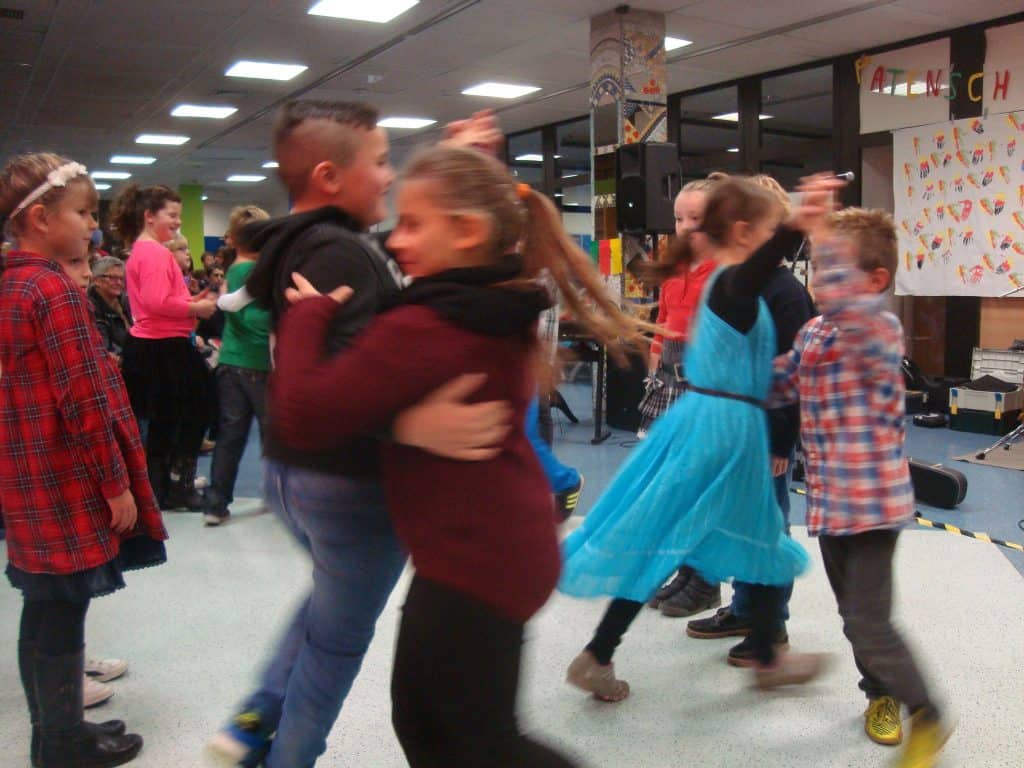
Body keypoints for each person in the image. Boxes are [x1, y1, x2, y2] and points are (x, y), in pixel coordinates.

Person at [270, 144, 649, 767]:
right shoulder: (495, 299)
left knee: (461, 738)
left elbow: (301, 416)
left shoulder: (426, 326)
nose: (396, 241)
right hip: (501, 546)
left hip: (474, 562)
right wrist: (402, 422)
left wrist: (308, 319)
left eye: (414, 224)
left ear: (469, 233)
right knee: (437, 725)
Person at [207, 101, 514, 768]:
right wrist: (407, 420)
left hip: (294, 475)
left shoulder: (297, 240)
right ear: (329, 175)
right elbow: (340, 383)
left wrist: (466, 163)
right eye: (379, 162)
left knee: (326, 598)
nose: (389, 175)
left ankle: (256, 715)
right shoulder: (339, 251)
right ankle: (287, 753)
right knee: (336, 645)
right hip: (348, 480)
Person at [559, 176, 835, 702]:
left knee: (748, 533)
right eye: (769, 229)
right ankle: (606, 654)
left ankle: (761, 651)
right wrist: (799, 222)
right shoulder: (734, 282)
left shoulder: (723, 282)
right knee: (722, 534)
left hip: (719, 424)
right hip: (723, 429)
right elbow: (764, 264)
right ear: (743, 231)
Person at [0, 153, 168, 768]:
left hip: (23, 470)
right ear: (41, 218)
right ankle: (62, 744)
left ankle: (55, 733)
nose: (93, 227)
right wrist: (115, 482)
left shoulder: (10, 282)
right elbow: (84, 399)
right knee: (62, 609)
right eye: (84, 213)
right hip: (63, 474)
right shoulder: (52, 290)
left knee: (43, 605)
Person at [770, 201, 951, 767]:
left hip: (872, 507)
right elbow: (782, 383)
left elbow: (855, 316)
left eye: (833, 268)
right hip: (828, 504)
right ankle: (880, 694)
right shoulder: (814, 332)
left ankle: (927, 713)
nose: (820, 280)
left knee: (868, 618)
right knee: (856, 617)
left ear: (875, 280)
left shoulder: (878, 328)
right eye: (817, 267)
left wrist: (820, 228)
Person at [685, 173, 816, 665]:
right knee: (738, 521)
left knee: (767, 528)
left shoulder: (785, 293)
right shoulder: (732, 283)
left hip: (766, 436)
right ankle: (744, 609)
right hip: (733, 432)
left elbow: (792, 374)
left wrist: (782, 443)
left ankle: (772, 626)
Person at [639, 178, 720, 618]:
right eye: (678, 218)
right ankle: (687, 569)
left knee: (701, 489)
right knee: (675, 490)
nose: (686, 228)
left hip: (704, 387)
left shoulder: (725, 274)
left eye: (697, 220)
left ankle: (707, 581)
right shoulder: (675, 269)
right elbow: (664, 324)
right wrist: (654, 378)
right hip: (669, 384)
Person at [112, 186, 218, 510]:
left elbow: (152, 301)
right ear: (149, 216)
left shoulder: (141, 251)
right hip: (164, 346)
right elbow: (158, 302)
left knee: (163, 422)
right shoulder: (156, 252)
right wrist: (195, 309)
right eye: (171, 215)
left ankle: (162, 486)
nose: (176, 222)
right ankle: (178, 484)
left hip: (151, 344)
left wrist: (189, 301)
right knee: (193, 412)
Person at [202, 205, 272, 526]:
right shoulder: (260, 273)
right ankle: (278, 497)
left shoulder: (232, 271)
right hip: (259, 363)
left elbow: (234, 314)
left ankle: (216, 504)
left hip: (231, 360)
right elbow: (259, 321)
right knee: (275, 436)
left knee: (231, 437)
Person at [88, 256, 133, 360]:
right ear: (96, 280)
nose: (118, 282)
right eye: (113, 278)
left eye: (121, 278)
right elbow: (104, 348)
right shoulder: (91, 307)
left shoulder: (125, 302)